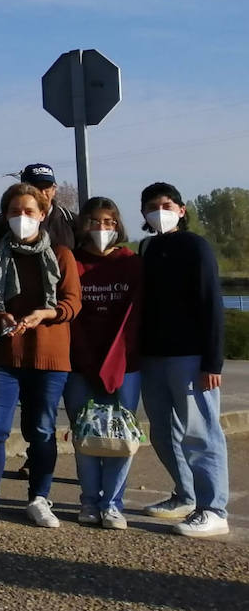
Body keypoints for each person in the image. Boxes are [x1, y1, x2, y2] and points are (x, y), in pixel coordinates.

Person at [0, 182, 82, 530]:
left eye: (29, 212)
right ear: (4, 215)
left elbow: (72, 303)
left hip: (49, 356)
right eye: (15, 212)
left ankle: (39, 498)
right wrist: (0, 316)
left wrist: (46, 313)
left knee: (41, 430)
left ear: (43, 215)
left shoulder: (61, 254)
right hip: (2, 355)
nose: (22, 218)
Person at [137, 181, 229, 538]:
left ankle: (214, 508)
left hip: (190, 358)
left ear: (181, 209)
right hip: (152, 357)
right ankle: (185, 495)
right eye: (151, 206)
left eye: (165, 204)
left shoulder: (196, 246)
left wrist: (213, 362)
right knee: (163, 432)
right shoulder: (147, 247)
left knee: (201, 433)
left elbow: (211, 304)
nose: (158, 211)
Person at [62, 196, 142, 530]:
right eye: (95, 222)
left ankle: (113, 503)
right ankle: (89, 501)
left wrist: (114, 362)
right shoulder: (71, 262)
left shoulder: (132, 263)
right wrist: (88, 361)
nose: (102, 228)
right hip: (80, 365)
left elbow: (134, 317)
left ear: (118, 226)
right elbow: (69, 315)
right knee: (87, 437)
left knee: (120, 437)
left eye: (109, 222)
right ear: (83, 226)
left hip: (125, 365)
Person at [0, 163, 75, 251]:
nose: (42, 193)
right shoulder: (0, 222)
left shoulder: (70, 220)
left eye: (46, 188)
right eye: (36, 188)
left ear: (54, 189)